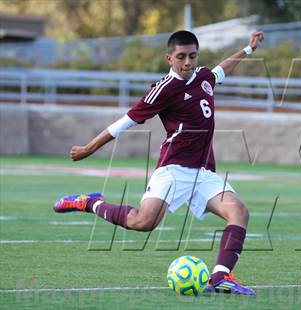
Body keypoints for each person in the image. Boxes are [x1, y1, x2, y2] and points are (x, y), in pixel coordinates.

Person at [53, 30, 264, 295]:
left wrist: (248, 49)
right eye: (181, 57)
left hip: (203, 171)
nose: (188, 62)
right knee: (143, 222)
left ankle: (221, 277)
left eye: (193, 56)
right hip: (173, 168)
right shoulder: (163, 89)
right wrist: (88, 148)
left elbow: (222, 69)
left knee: (239, 213)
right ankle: (90, 202)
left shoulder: (204, 77)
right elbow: (125, 122)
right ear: (169, 58)